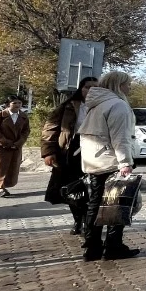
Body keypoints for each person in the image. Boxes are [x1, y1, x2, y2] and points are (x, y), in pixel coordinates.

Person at [79, 71, 139, 261]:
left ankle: (92, 247)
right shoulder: (118, 105)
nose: (130, 88)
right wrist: (125, 163)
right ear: (119, 85)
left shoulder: (96, 104)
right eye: (128, 84)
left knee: (95, 205)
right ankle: (113, 246)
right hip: (112, 162)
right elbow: (120, 138)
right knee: (117, 205)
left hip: (94, 161)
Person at [41, 76, 98, 234]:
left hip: (95, 151)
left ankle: (89, 221)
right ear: (81, 89)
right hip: (71, 151)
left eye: (95, 87)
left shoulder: (102, 106)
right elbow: (50, 128)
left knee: (91, 189)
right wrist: (49, 152)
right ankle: (78, 220)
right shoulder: (68, 105)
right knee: (72, 188)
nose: (91, 90)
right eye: (88, 87)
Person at [0, 95, 31, 197]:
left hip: (15, 146)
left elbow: (26, 131)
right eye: (14, 103)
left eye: (19, 103)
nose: (17, 105)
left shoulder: (23, 117)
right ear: (8, 105)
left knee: (10, 168)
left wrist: (18, 143)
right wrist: (6, 142)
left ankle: (2, 186)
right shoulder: (0, 115)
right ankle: (0, 188)